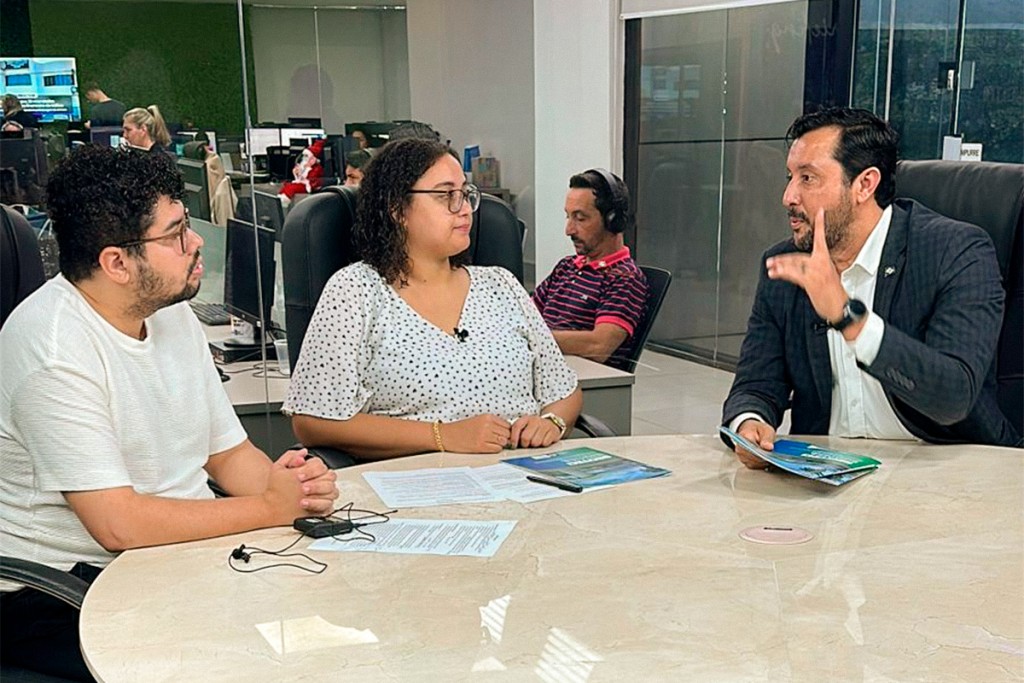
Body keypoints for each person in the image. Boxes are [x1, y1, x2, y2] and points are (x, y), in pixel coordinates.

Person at [0, 145, 339, 681]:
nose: (196, 241)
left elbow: (227, 455)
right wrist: (269, 509)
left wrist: (291, 489)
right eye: (176, 233)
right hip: (65, 592)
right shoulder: (53, 349)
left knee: (322, 627)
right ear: (116, 263)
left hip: (172, 559)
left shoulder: (168, 312)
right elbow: (117, 524)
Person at [722, 107, 1020, 468]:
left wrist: (849, 318)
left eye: (808, 178)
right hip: (828, 473)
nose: (788, 196)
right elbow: (755, 384)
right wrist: (749, 422)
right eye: (790, 177)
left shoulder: (956, 252)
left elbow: (953, 397)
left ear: (864, 185)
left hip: (947, 469)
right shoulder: (786, 265)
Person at [284, 138, 582, 459]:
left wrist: (551, 422)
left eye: (465, 194)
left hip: (524, 473)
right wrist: (442, 435)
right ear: (397, 208)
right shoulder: (356, 290)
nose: (464, 208)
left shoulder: (501, 285)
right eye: (445, 195)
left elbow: (563, 389)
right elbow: (313, 420)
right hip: (417, 479)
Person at [531, 168, 649, 369]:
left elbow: (599, 346)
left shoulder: (625, 278)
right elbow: (525, 314)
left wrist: (533, 338)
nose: (569, 230)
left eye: (580, 218)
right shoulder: (566, 267)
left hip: (579, 379)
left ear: (613, 220)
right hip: (541, 369)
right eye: (568, 217)